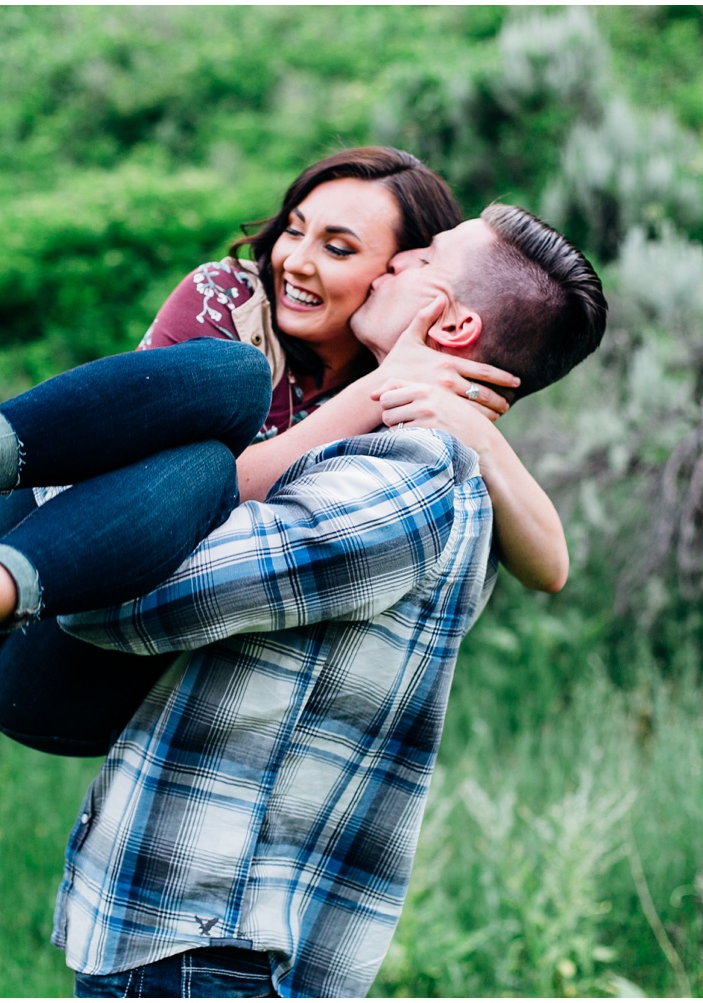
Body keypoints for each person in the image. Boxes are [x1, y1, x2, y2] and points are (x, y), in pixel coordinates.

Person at [0, 149, 567, 728]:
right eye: (296, 228)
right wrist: (381, 398)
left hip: (76, 667)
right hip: (16, 526)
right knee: (231, 396)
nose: (296, 260)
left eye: (347, 249)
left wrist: (467, 425)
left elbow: (551, 564)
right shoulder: (226, 301)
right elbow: (231, 481)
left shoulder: (409, 412)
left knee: (208, 473)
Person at [52, 203, 607, 997]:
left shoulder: (399, 478)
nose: (394, 264)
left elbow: (133, 601)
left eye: (423, 260)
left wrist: (55, 548)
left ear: (449, 324)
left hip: (206, 936)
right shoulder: (427, 460)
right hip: (222, 937)